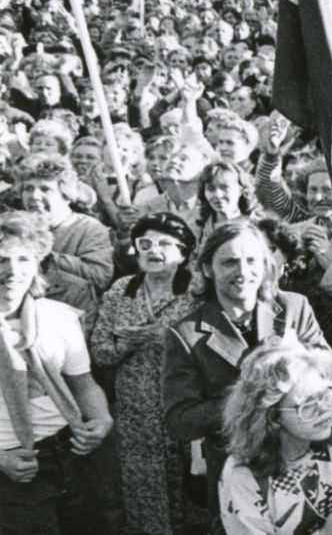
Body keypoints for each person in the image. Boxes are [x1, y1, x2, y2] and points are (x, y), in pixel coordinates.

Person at [163, 219, 330, 500]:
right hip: (239, 474)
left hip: (306, 462)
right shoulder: (186, 334)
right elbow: (179, 421)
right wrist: (251, 397)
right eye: (229, 262)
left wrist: (300, 367)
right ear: (207, 269)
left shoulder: (293, 307)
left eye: (252, 260)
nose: (243, 272)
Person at [0, 210, 121, 535]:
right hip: (14, 465)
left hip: (74, 453)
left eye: (23, 259)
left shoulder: (58, 316)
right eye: (2, 259)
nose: (13, 271)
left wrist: (102, 419)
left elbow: (83, 383)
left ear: (38, 263)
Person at [87, 213, 203, 535]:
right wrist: (125, 346)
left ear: (183, 252)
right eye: (146, 243)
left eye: (166, 244)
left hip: (183, 407)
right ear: (135, 250)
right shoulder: (120, 291)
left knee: (193, 494)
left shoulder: (197, 292)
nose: (155, 250)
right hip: (135, 417)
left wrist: (167, 341)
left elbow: (210, 350)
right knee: (142, 498)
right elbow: (99, 350)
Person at [218, 339, 332, 535]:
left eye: (326, 395)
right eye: (307, 406)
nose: (325, 410)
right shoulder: (241, 473)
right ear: (273, 417)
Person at [15, 154, 113, 330]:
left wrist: (47, 256)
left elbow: (100, 277)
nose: (34, 196)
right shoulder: (14, 227)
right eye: (28, 188)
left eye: (45, 189)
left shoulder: (88, 228)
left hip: (69, 318)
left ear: (66, 195)